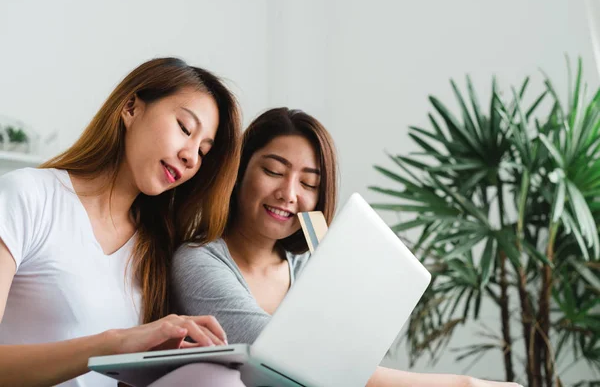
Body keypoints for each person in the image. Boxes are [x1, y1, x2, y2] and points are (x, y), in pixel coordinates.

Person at [172, 107, 524, 387]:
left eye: (309, 182)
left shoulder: (310, 265)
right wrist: (462, 385)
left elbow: (350, 359)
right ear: (238, 172)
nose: (290, 193)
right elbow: (294, 360)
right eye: (274, 171)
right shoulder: (197, 262)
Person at [0, 57, 244, 386]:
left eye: (203, 151)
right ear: (131, 107)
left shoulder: (155, 250)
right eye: (185, 128)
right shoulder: (27, 195)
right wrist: (113, 345)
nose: (190, 156)